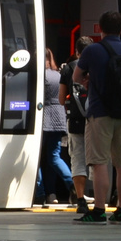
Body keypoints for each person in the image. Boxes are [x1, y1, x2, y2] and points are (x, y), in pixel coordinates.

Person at [74, 14, 121, 224]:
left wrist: (89, 81)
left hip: (100, 113)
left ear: (100, 29)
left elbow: (76, 76)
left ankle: (99, 210)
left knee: (99, 164)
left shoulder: (93, 50)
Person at [34, 48, 72, 206]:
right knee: (54, 157)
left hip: (43, 118)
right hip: (59, 118)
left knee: (35, 158)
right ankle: (72, 187)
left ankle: (40, 193)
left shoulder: (40, 76)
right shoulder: (58, 75)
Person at [61, 37, 92, 214]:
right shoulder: (98, 66)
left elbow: (60, 98)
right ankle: (100, 199)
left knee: (78, 160)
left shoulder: (69, 68)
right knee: (98, 161)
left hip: (76, 121)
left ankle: (80, 200)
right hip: (95, 121)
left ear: (77, 51)